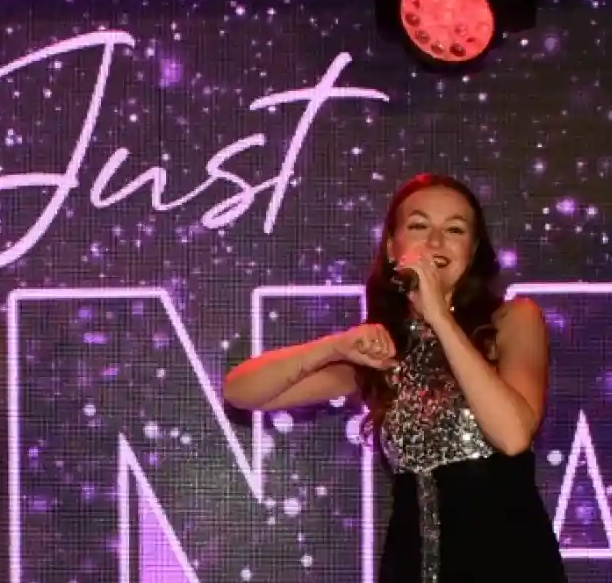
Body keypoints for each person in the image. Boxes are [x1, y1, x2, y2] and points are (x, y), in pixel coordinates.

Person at [223, 174, 567, 583]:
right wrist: (334, 347)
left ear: (472, 252)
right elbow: (241, 390)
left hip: (507, 564)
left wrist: (438, 314)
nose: (436, 242)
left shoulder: (513, 320)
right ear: (392, 247)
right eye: (419, 226)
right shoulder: (385, 350)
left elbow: (512, 435)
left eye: (454, 230)